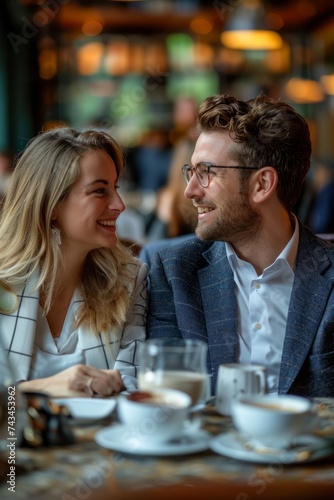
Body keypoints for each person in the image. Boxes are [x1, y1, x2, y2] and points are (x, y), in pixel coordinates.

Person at [146, 93, 334, 398]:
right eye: (190, 172)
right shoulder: (173, 272)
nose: (190, 190)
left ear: (262, 185)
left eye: (207, 172)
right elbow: (167, 398)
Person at [0, 128, 147, 397]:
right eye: (100, 191)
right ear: (52, 205)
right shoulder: (3, 282)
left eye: (115, 188)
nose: (120, 205)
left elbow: (132, 384)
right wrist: (45, 389)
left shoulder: (130, 278)